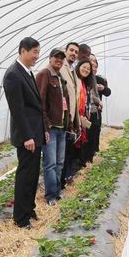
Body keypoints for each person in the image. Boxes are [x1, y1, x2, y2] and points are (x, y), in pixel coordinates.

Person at [3, 37, 45, 228]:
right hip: (27, 136)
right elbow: (17, 110)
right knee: (25, 175)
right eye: (34, 52)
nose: (37, 56)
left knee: (33, 174)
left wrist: (42, 131)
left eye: (38, 52)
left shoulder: (26, 72)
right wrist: (27, 136)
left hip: (35, 133)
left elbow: (35, 107)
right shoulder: (13, 75)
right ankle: (20, 218)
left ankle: (29, 208)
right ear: (22, 51)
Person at [35, 48, 70, 205]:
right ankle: (50, 196)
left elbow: (64, 102)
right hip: (51, 128)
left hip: (61, 127)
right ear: (50, 58)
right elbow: (40, 102)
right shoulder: (44, 74)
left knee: (60, 162)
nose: (59, 60)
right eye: (56, 57)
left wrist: (68, 122)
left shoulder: (60, 77)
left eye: (62, 58)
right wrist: (45, 125)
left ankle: (56, 191)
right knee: (50, 164)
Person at [60, 42, 81, 187]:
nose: (73, 53)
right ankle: (58, 185)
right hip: (61, 118)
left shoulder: (73, 70)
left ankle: (63, 180)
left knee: (67, 152)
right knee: (59, 156)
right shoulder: (61, 67)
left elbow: (74, 97)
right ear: (65, 51)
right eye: (71, 50)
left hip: (70, 118)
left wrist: (75, 121)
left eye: (76, 52)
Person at [90, 54, 110, 155]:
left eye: (96, 66)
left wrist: (103, 88)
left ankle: (94, 150)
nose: (94, 68)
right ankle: (89, 153)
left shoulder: (100, 79)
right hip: (87, 111)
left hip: (97, 110)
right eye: (92, 64)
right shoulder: (84, 78)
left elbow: (108, 92)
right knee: (89, 132)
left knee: (96, 129)